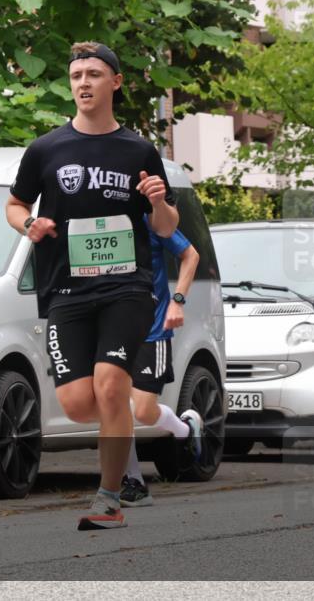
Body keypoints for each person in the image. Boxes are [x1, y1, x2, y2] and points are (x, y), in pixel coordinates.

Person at [6, 42, 179, 530]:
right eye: (77, 74)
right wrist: (29, 226)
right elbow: (15, 206)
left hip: (127, 287)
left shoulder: (139, 150)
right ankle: (119, 412)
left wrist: (159, 200)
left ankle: (109, 498)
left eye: (95, 74)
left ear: (116, 83)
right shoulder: (45, 149)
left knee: (108, 383)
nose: (83, 83)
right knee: (80, 404)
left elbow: (165, 228)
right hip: (66, 290)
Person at [120, 217, 204, 508]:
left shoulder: (151, 221)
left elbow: (191, 255)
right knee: (114, 405)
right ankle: (133, 482)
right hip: (111, 333)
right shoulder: (93, 221)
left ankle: (185, 429)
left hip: (151, 332)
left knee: (143, 411)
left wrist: (177, 301)